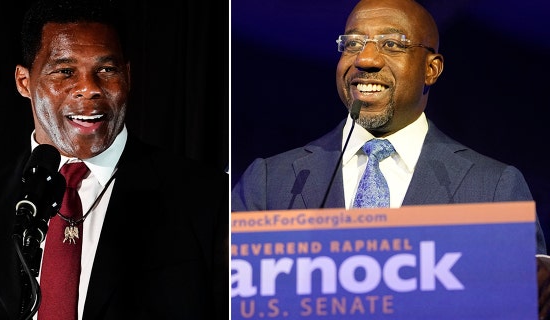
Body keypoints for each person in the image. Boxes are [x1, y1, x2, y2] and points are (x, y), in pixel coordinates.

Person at [0, 0, 228, 319]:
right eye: (65, 71)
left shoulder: (208, 197)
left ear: (128, 76)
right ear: (24, 82)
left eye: (106, 70)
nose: (89, 89)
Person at [231, 0, 546, 254]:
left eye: (392, 44)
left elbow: (518, 300)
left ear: (431, 69)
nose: (365, 59)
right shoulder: (269, 182)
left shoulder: (493, 188)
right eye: (353, 44)